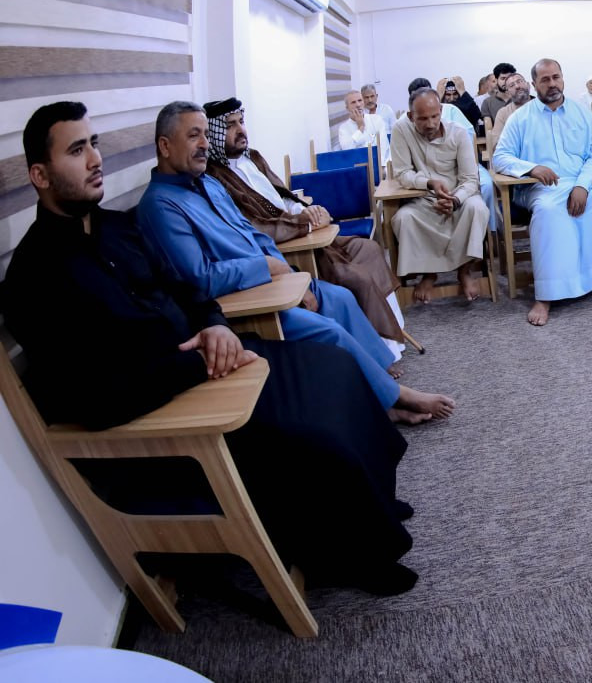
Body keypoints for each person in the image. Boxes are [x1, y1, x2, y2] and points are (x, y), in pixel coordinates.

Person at [6, 101, 420, 594]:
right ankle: (359, 554)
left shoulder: (117, 228)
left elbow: (185, 289)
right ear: (40, 174)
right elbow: (92, 397)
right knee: (309, 431)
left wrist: (215, 325)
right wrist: (199, 362)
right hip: (164, 408)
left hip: (208, 363)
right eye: (76, 151)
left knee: (332, 366)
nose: (95, 159)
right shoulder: (34, 276)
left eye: (93, 144)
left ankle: (374, 500)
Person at [136, 101, 454, 425]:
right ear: (165, 145)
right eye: (194, 135)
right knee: (329, 331)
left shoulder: (209, 184)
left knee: (341, 298)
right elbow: (199, 279)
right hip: (247, 304)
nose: (204, 144)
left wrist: (288, 275)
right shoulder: (160, 206)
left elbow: (255, 235)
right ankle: (395, 397)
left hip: (273, 281)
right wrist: (267, 269)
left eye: (205, 134)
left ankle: (380, 391)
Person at [203, 98, 406, 356]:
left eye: (241, 122)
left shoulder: (253, 157)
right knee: (356, 277)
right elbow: (256, 225)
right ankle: (383, 348)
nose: (240, 130)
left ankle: (395, 336)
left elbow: (283, 197)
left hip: (300, 230)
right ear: (214, 134)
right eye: (230, 126)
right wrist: (304, 223)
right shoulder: (216, 177)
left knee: (369, 249)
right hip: (287, 249)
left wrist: (307, 210)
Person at [492, 58, 592, 326]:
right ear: (534, 84)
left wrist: (581, 185)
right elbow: (500, 158)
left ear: (563, 78)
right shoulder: (520, 117)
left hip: (582, 181)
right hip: (539, 187)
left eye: (556, 77)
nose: (552, 84)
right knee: (548, 212)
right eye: (545, 80)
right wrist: (532, 168)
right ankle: (545, 295)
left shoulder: (580, 112)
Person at [390, 88, 490, 302]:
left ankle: (465, 269)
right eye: (423, 119)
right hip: (423, 197)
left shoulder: (458, 132)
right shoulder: (401, 129)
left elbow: (470, 179)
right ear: (411, 116)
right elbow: (402, 173)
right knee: (403, 218)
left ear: (441, 111)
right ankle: (429, 273)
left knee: (478, 209)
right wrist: (429, 183)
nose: (430, 124)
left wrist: (455, 200)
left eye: (435, 116)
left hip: (459, 196)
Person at [408, 78, 497, 230]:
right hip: (427, 174)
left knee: (486, 185)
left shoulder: (451, 110)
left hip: (461, 165)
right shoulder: (405, 124)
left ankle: (490, 230)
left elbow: (469, 135)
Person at [338, 89, 390, 166]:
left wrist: (381, 166)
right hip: (357, 168)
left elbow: (383, 145)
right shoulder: (343, 128)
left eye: (360, 100)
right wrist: (360, 128)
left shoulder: (376, 119)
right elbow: (347, 150)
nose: (358, 105)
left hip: (381, 165)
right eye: (353, 102)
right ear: (347, 108)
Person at [488, 71, 532, 154]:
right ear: (508, 93)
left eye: (519, 81)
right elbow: (497, 145)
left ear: (528, 85)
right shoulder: (503, 113)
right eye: (512, 85)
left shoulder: (542, 107)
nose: (517, 86)